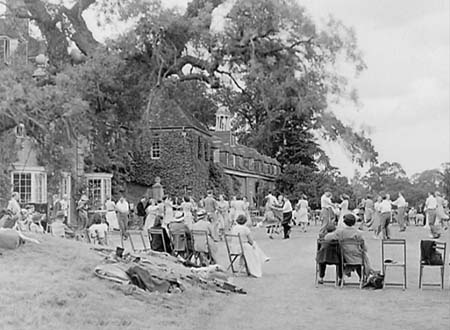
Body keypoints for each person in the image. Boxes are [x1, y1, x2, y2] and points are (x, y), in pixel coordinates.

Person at [324, 213, 374, 280]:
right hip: (357, 256)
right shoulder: (358, 233)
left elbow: (327, 237)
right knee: (363, 256)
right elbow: (364, 247)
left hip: (344, 256)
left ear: (344, 222)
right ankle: (364, 277)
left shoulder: (340, 232)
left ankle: (341, 278)